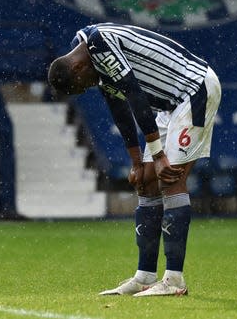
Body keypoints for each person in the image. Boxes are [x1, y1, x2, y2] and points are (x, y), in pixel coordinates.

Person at [48, 23, 221, 297]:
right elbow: (117, 105)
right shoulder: (84, 51)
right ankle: (144, 277)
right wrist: (136, 162)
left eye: (82, 86)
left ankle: (174, 280)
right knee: (146, 183)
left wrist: (160, 156)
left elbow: (134, 95)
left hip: (193, 90)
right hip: (167, 104)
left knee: (170, 178)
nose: (87, 87)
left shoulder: (99, 43)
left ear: (78, 69)